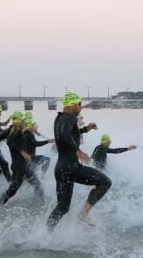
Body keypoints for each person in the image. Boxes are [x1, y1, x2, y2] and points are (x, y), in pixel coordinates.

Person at [46, 92, 111, 229]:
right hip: (71, 167)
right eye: (80, 104)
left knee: (62, 207)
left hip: (61, 169)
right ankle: (84, 212)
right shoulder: (71, 118)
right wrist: (78, 150)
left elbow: (67, 134)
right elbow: (65, 134)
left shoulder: (60, 119)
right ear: (73, 104)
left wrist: (85, 129)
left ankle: (45, 234)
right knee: (105, 182)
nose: (81, 107)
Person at [0, 113, 52, 205]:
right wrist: (47, 141)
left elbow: (0, 140)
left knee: (15, 188)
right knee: (45, 161)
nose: (36, 128)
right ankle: (43, 202)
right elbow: (34, 144)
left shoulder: (23, 133)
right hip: (23, 164)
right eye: (35, 126)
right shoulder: (26, 134)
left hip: (21, 164)